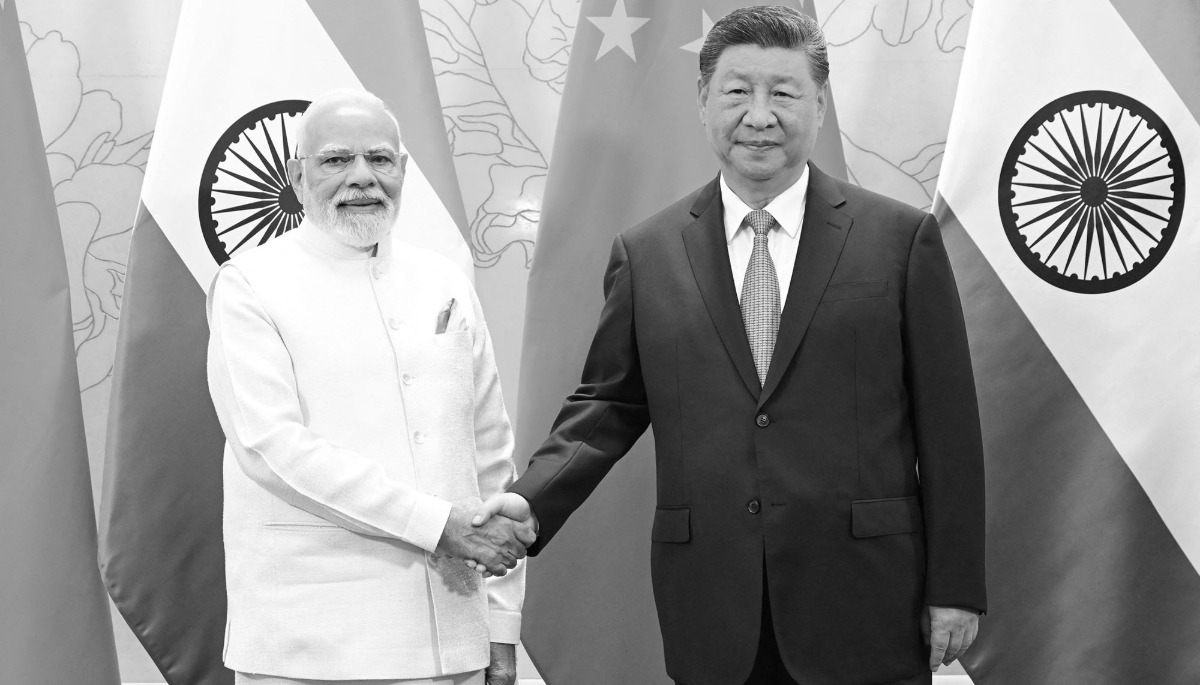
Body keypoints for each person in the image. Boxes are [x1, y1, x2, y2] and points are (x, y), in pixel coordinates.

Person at [474, 7, 986, 685]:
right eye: (738, 91)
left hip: (866, 596)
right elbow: (607, 407)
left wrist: (957, 585)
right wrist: (530, 502)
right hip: (713, 603)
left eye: (784, 92)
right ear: (704, 102)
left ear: (820, 105)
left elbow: (948, 429)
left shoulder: (900, 241)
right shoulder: (649, 253)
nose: (760, 114)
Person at [206, 88, 534, 685]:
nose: (362, 178)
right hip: (311, 642)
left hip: (455, 640)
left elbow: (490, 456)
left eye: (380, 159)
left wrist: (502, 628)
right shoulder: (250, 285)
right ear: (297, 174)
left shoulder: (444, 281)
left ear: (404, 171)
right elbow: (270, 448)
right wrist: (436, 523)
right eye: (336, 160)